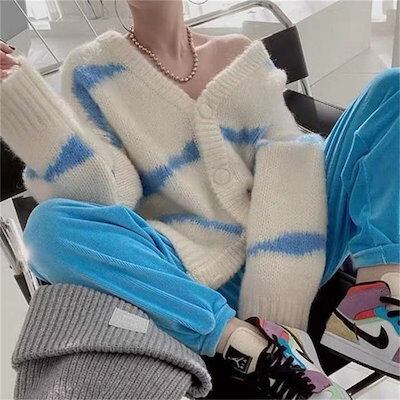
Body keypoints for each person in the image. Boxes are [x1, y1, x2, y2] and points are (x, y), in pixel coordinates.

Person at [1, 0, 398, 397]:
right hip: (192, 276)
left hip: (297, 240)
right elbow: (107, 196)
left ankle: (377, 303)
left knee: (392, 89)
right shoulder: (90, 70)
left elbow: (293, 163)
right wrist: (18, 96)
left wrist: (276, 290)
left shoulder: (239, 52)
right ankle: (245, 346)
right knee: (47, 227)